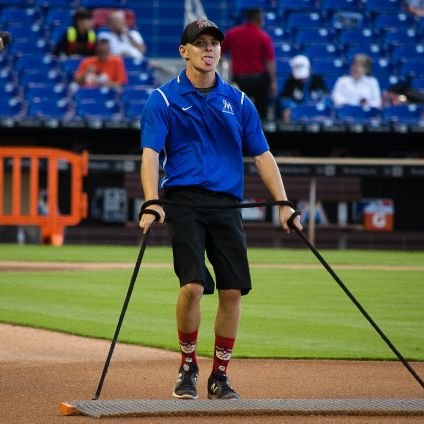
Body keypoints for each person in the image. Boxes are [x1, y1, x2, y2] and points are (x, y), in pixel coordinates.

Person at [139, 19, 302, 401]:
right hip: (183, 202)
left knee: (232, 291)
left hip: (228, 204)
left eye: (214, 43)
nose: (208, 49)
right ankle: (187, 366)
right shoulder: (161, 99)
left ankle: (220, 376)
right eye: (200, 44)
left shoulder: (240, 101)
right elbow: (150, 154)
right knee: (193, 286)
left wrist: (284, 204)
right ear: (184, 51)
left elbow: (262, 155)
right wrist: (151, 202)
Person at [221, 8, 277, 120]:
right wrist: (273, 82)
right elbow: (270, 62)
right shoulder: (263, 37)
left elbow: (217, 52)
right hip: (259, 81)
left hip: (239, 80)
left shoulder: (232, 33)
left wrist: (225, 63)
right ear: (260, 20)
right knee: (261, 114)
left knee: (238, 113)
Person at [279, 55, 329, 123]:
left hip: (316, 114)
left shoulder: (318, 80)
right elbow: (285, 100)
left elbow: (326, 97)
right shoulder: (290, 82)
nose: (302, 79)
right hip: (298, 116)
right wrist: (294, 108)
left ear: (310, 69)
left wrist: (320, 107)